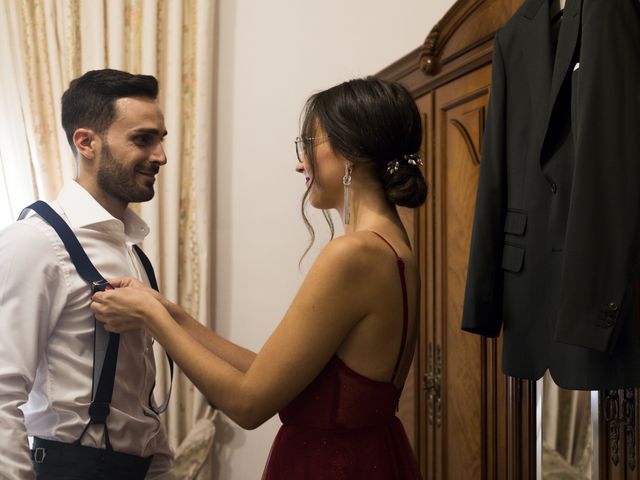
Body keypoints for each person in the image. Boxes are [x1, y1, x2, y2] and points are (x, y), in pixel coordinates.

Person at [91, 77, 425, 479]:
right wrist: (170, 311)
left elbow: (248, 405)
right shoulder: (394, 245)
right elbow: (269, 372)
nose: (301, 163)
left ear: (349, 151)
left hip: (330, 465)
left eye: (308, 144)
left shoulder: (353, 253)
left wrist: (151, 319)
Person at [0, 69, 175, 479]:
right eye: (143, 139)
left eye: (160, 139)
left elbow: (135, 400)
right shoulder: (35, 242)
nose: (161, 155)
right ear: (86, 142)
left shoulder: (131, 252)